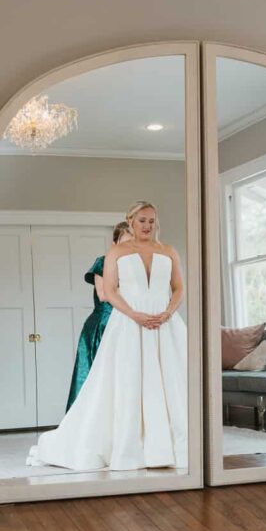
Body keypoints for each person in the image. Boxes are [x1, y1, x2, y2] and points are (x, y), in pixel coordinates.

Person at [27, 201, 187, 471]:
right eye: (141, 221)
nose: (147, 226)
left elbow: (179, 288)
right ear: (131, 222)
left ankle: (172, 447)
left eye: (151, 221)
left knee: (170, 379)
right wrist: (134, 314)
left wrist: (169, 312)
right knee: (128, 381)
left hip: (164, 323)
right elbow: (110, 291)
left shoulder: (168, 251)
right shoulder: (117, 252)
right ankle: (130, 447)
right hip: (128, 322)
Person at [65, 220, 131, 411]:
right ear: (115, 243)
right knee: (95, 375)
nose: (127, 248)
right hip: (101, 326)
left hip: (124, 324)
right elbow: (103, 295)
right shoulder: (103, 262)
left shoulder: (133, 267)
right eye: (124, 242)